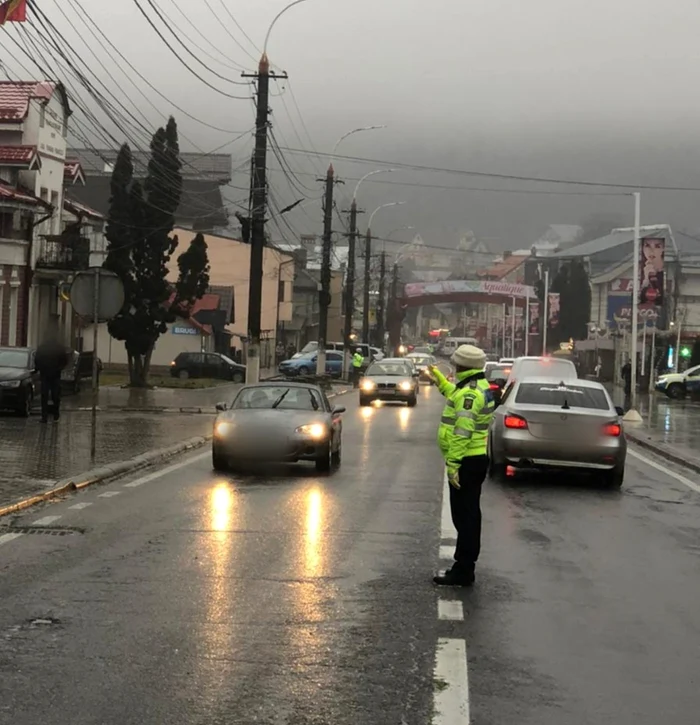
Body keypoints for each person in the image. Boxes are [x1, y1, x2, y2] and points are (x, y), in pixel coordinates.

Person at [429, 344, 494, 586]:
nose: (453, 366)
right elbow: (454, 395)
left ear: (461, 365)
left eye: (455, 363)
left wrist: (453, 464)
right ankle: (464, 565)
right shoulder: (473, 387)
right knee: (468, 514)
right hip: (473, 460)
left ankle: (464, 569)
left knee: (465, 517)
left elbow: (462, 432)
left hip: (467, 461)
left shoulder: (470, 393)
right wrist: (438, 380)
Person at [35, 320, 70, 423]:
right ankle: (55, 415)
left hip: (47, 375)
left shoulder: (43, 347)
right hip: (54, 375)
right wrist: (59, 368)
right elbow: (65, 360)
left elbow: (37, 360)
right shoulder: (58, 347)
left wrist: (39, 369)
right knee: (55, 396)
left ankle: (45, 416)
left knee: (45, 396)